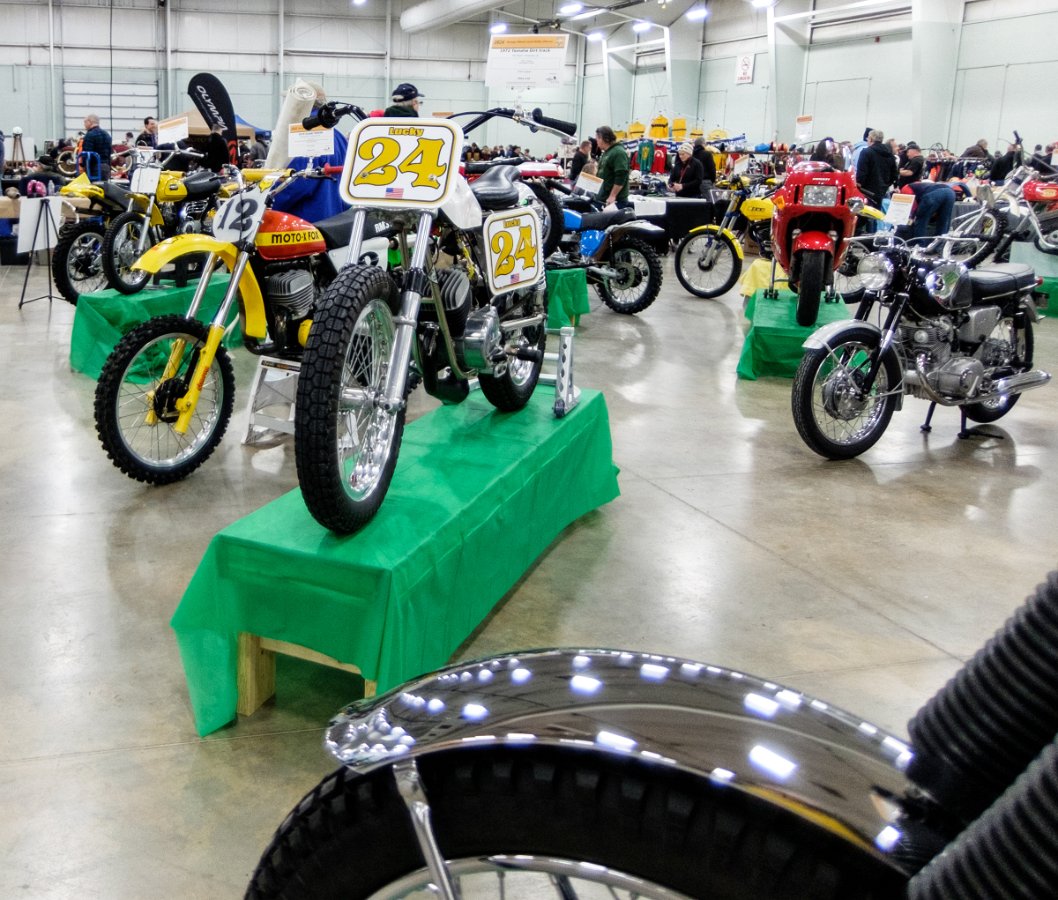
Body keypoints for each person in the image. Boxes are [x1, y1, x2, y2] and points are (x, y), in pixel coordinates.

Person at [855, 129, 897, 209]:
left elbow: (862, 172)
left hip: (867, 191)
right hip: (882, 191)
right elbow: (894, 174)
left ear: (871, 139)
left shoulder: (866, 152)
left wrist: (859, 184)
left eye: (868, 138)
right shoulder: (889, 154)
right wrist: (886, 185)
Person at [594, 125, 630, 209]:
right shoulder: (606, 152)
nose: (597, 142)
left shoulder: (618, 152)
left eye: (597, 139)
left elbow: (621, 175)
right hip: (603, 198)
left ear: (604, 138)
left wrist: (612, 196)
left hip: (615, 201)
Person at [79, 113, 112, 181]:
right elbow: (109, 152)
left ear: (90, 122)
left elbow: (87, 154)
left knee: (93, 187)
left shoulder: (89, 135)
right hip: (106, 167)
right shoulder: (106, 134)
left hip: (94, 169)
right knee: (103, 186)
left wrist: (83, 166)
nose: (84, 125)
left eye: (85, 122)